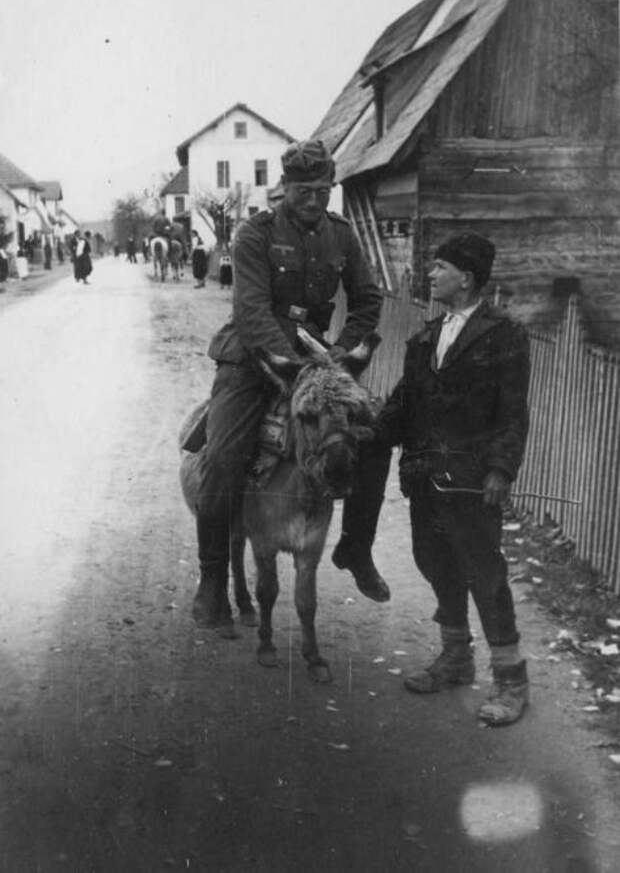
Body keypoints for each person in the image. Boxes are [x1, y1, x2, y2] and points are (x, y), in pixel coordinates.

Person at [190, 139, 391, 626]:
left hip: (316, 359)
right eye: (304, 190)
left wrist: (339, 353)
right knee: (222, 458)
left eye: (323, 191)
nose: (314, 201)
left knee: (374, 437)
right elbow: (252, 311)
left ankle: (356, 548)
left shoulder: (342, 236)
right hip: (252, 357)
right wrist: (292, 360)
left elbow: (367, 299)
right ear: (285, 188)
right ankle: (213, 577)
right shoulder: (254, 235)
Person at [374, 232, 531, 725]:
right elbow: (404, 402)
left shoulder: (505, 335)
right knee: (435, 562)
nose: (431, 274)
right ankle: (456, 657)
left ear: (466, 278)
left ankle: (510, 680)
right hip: (424, 477)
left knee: (484, 574)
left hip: (470, 481)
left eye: (440, 267)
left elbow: (512, 414)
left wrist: (500, 470)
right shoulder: (424, 338)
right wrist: (367, 429)